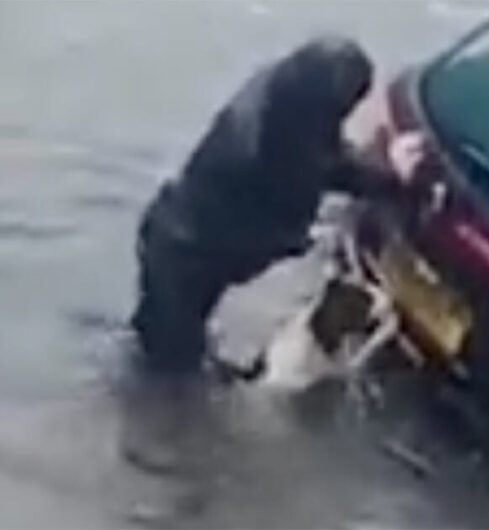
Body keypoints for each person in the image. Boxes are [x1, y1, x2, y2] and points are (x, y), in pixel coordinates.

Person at [131, 36, 421, 380]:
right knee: (172, 381)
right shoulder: (272, 145)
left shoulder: (285, 95)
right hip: (185, 261)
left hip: (178, 241)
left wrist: (382, 171)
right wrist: (390, 176)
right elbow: (319, 173)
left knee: (162, 354)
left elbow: (323, 156)